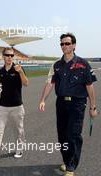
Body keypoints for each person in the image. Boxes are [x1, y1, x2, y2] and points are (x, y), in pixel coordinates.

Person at [39, 33, 98, 176]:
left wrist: (93, 107)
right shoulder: (56, 65)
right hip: (61, 104)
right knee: (62, 136)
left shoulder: (83, 64)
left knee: (73, 135)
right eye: (62, 44)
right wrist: (43, 99)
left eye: (67, 43)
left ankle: (71, 167)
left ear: (74, 45)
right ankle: (66, 161)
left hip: (77, 104)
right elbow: (49, 83)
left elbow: (90, 87)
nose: (64, 46)